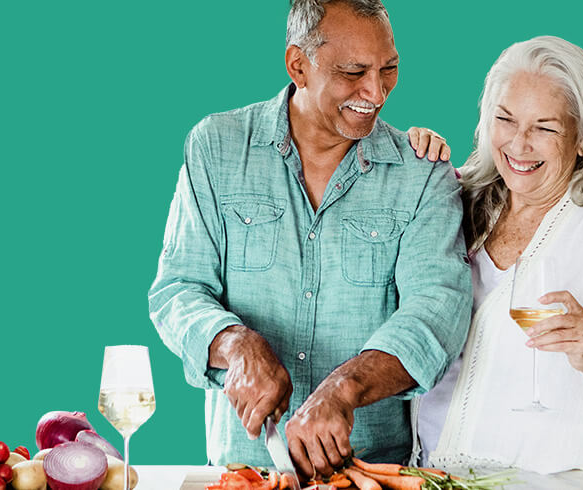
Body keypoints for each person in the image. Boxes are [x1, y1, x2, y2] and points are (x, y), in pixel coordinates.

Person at [148, 0, 472, 478]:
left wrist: (344, 388)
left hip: (370, 473)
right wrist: (233, 344)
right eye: (353, 72)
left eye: (389, 69)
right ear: (298, 65)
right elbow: (178, 289)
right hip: (243, 473)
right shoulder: (216, 147)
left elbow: (437, 312)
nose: (376, 91)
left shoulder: (423, 174)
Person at [408, 36, 583, 474]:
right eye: (505, 120)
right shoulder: (460, 200)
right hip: (426, 474)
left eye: (545, 128)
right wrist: (412, 155)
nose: (519, 143)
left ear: (581, 140)